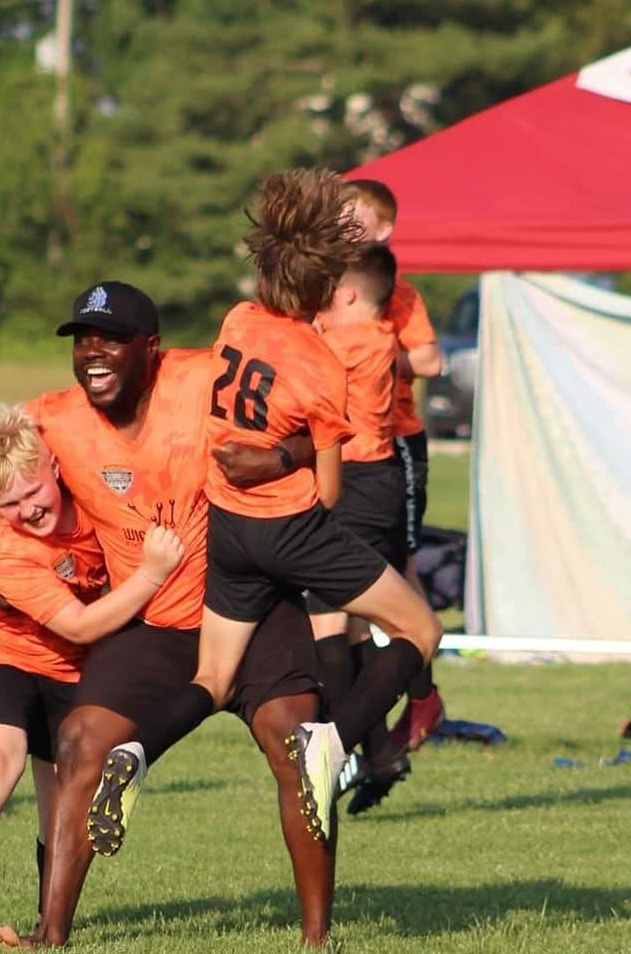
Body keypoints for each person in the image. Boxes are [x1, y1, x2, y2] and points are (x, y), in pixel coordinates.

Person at [0, 283, 333, 947]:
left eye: (109, 339)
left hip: (251, 605)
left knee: (300, 747)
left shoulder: (201, 379)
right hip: (158, 625)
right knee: (80, 739)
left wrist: (279, 457)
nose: (93, 353)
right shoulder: (55, 419)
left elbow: (316, 428)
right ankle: (52, 935)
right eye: (83, 341)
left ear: (151, 349)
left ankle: (316, 937)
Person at [102, 169, 441, 849]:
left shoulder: (237, 320)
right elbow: (330, 493)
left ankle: (137, 753)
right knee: (420, 631)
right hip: (292, 529)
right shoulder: (321, 364)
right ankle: (337, 744)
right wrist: (291, 458)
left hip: (228, 529)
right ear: (325, 289)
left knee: (213, 676)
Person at [0, 405, 184, 941]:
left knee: (63, 797)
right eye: (9, 504)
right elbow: (82, 624)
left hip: (71, 667)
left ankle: (51, 919)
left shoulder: (90, 494)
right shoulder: (4, 545)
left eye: (32, 493)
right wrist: (155, 573)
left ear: (55, 468)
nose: (27, 510)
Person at [306, 242, 413, 815]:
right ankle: (380, 748)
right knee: (347, 630)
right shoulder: (381, 335)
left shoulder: (352, 339)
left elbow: (300, 359)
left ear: (347, 295)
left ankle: (339, 746)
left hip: (357, 482)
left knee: (326, 625)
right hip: (373, 482)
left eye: (328, 293)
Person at [345, 179, 446, 759]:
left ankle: (423, 690)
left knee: (395, 569)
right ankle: (369, 731)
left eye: (354, 220)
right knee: (351, 590)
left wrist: (374, 357)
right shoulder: (332, 290)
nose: (343, 228)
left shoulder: (396, 293)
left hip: (395, 444)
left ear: (384, 231)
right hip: (342, 450)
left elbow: (430, 359)